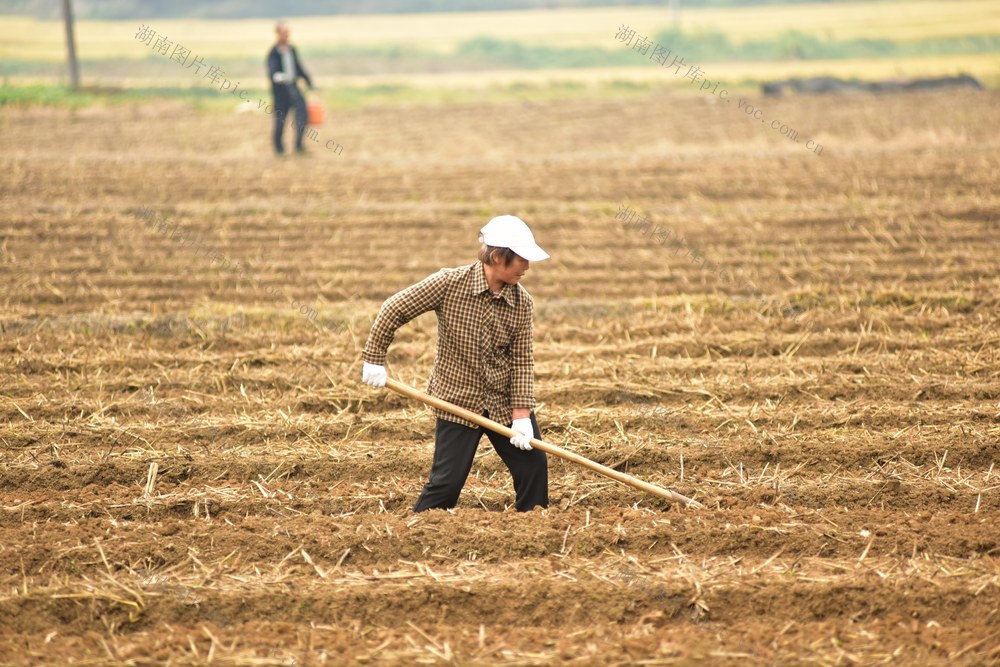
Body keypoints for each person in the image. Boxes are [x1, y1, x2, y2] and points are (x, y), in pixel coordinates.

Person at [361, 215, 551, 512]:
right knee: (447, 483)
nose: (527, 267)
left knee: (534, 468)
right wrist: (374, 359)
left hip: (502, 402)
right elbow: (394, 308)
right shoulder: (450, 284)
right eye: (522, 259)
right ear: (498, 257)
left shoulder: (522, 303)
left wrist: (522, 416)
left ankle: (536, 527)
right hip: (458, 401)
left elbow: (522, 361)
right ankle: (417, 529)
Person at [266, 21, 313, 155]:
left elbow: (298, 67)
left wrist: (308, 80)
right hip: (281, 91)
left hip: (293, 87)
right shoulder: (274, 52)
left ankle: (299, 145)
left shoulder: (292, 50)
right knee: (280, 119)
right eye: (284, 33)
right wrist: (279, 77)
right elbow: (272, 72)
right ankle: (279, 148)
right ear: (278, 34)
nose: (286, 35)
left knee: (302, 115)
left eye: (287, 33)